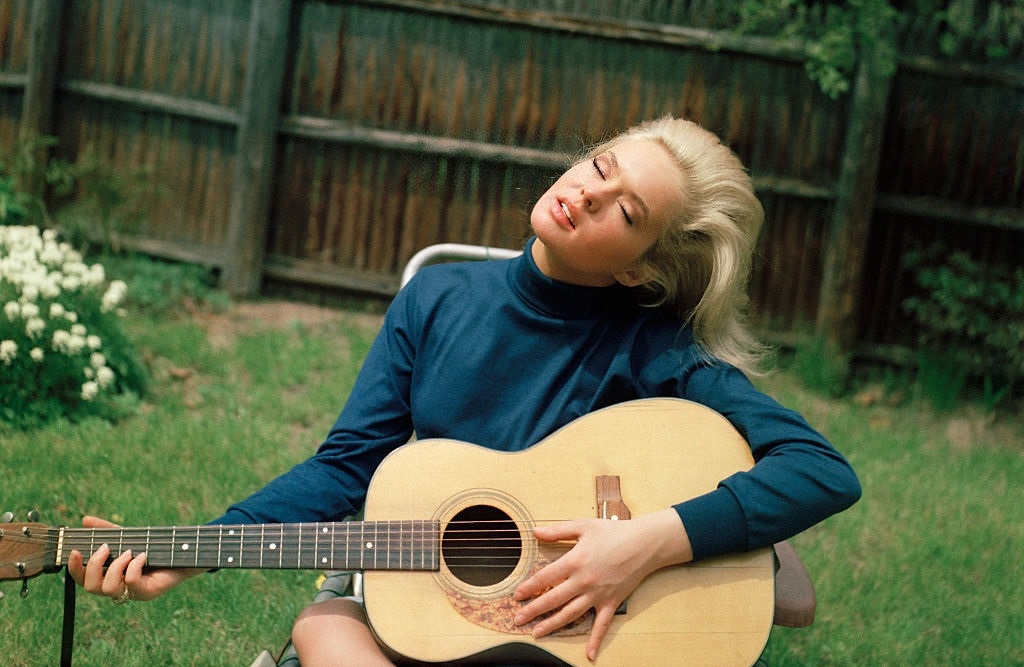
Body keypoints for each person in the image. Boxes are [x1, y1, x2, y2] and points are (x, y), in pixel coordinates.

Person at [70, 116, 861, 666]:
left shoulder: (655, 349)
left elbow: (822, 469)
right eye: (600, 166)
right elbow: (348, 465)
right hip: (437, 605)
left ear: (639, 267)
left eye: (624, 208)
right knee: (325, 627)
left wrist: (642, 543)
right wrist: (194, 552)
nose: (585, 192)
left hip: (568, 635)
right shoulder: (438, 300)